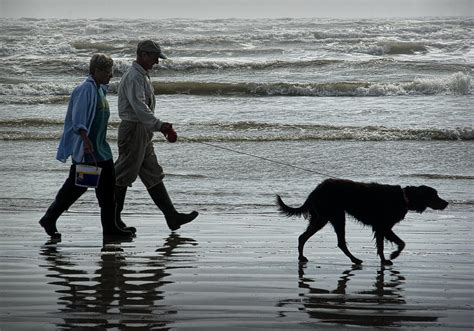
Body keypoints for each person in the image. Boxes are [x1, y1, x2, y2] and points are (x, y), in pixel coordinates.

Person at [39, 54, 134, 239]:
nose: (110, 75)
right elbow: (78, 118)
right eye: (106, 72)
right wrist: (85, 139)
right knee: (77, 187)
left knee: (105, 190)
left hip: (101, 150)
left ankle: (111, 229)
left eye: (111, 71)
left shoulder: (99, 89)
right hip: (89, 151)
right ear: (95, 71)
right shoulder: (85, 89)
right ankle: (49, 218)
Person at [114, 40, 198, 233]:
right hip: (134, 130)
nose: (157, 62)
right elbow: (139, 107)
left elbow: (143, 108)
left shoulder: (142, 76)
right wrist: (161, 126)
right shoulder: (135, 77)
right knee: (122, 176)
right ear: (143, 55)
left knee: (152, 173)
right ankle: (114, 221)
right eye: (154, 58)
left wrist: (156, 127)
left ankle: (171, 216)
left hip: (143, 131)